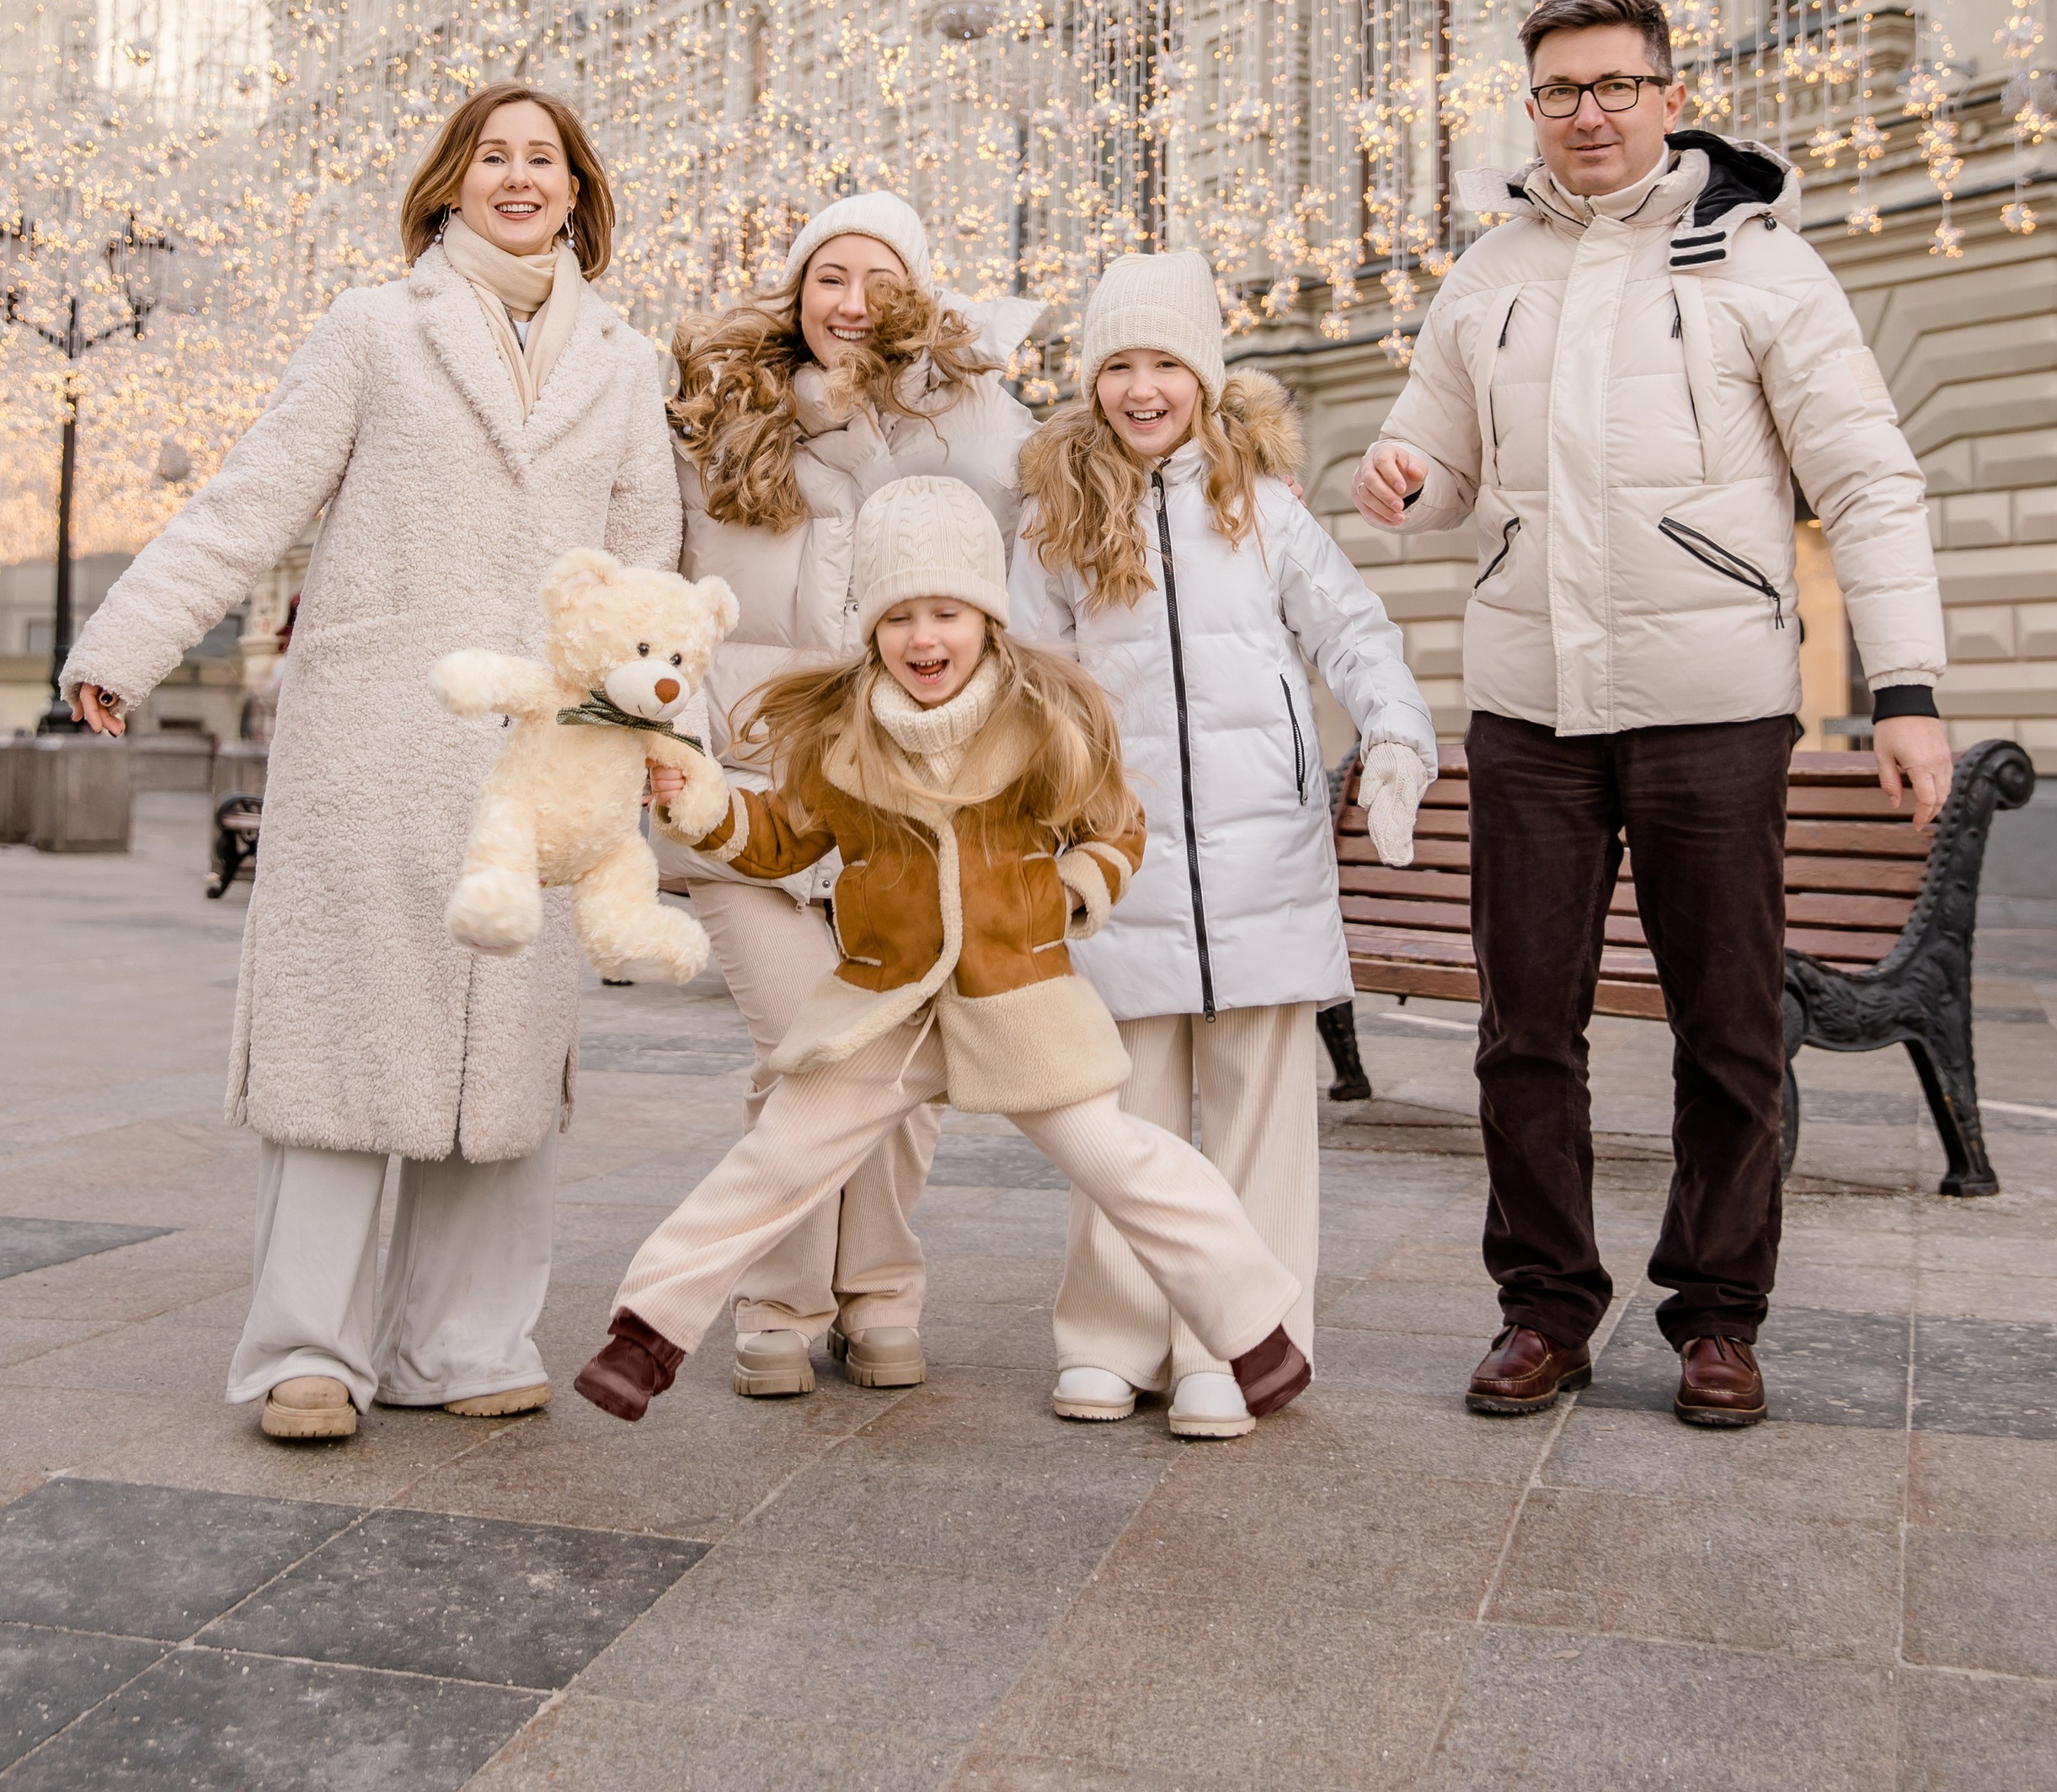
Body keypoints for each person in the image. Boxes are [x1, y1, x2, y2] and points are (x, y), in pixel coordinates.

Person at [1353, 0, 1951, 1427]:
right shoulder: (1488, 273)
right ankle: (1545, 1308)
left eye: (1617, 86)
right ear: (1535, 109)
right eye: (1561, 92)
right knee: (1524, 1032)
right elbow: (1428, 460)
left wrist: (1911, 691)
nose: (1590, 115)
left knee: (1729, 1027)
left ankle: (1717, 1316)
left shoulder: (1765, 269)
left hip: (1715, 705)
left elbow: (1867, 480)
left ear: (1669, 96)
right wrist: (1403, 479)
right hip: (1528, 710)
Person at [62, 85, 680, 1443]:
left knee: (506, 1051)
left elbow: (650, 574)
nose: (519, 179)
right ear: (452, 180)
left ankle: (464, 1340)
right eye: (493, 157)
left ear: (578, 188)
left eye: (545, 160)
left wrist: (655, 737)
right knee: (347, 1043)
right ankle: (307, 1350)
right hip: (374, 738)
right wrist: (129, 644)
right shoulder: (371, 329)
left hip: (542, 750)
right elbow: (254, 501)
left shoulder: (628, 360)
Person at [574, 476, 1312, 1432]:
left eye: (948, 613)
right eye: (899, 618)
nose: (924, 640)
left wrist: (1073, 886)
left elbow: (1118, 825)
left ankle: (1254, 1331)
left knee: (1127, 1161)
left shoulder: (1049, 717)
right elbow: (780, 839)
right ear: (872, 629)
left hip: (1019, 995)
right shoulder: (841, 735)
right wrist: (701, 802)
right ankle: (645, 1335)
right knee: (775, 1161)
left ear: (988, 618)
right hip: (881, 1002)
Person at [1009, 249, 1439, 1436]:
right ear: (1090, 380)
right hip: (1118, 861)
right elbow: (1024, 683)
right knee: (1123, 1117)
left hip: (1265, 858)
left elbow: (1353, 633)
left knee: (1258, 1111)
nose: (1143, 389)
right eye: (1119, 366)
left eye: (1165, 365)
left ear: (1205, 376)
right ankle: (1112, 1333)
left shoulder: (1266, 509)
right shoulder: (1055, 521)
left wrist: (1397, 735)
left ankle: (1237, 1342)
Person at [661, 193, 1043, 1399]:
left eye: (881, 279)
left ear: (918, 296)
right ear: (797, 291)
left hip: (902, 801)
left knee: (897, 1053)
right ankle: (780, 1304)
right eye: (831, 275)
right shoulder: (721, 419)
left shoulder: (968, 425)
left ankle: (879, 1290)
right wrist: (675, 746)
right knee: (808, 1055)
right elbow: (660, 585)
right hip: (747, 796)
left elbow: (1044, 549)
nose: (853, 303)